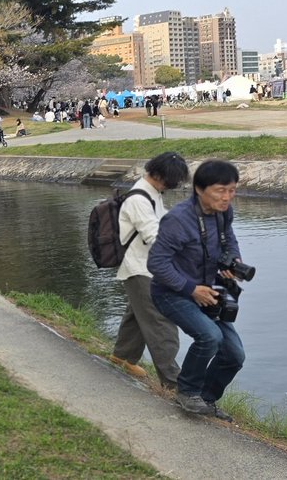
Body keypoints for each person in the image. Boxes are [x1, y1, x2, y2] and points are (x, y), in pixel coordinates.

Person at [149, 159, 247, 421]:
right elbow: (156, 264)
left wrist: (233, 262)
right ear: (199, 189)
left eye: (232, 190)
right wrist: (191, 289)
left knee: (235, 355)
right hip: (171, 292)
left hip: (207, 290)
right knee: (210, 337)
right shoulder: (178, 220)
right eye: (220, 190)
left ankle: (205, 399)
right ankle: (187, 392)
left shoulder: (224, 212)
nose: (227, 197)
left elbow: (230, 241)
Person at [108, 152, 191, 391]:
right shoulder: (139, 199)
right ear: (158, 175)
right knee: (161, 320)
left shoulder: (152, 193)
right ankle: (174, 381)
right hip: (141, 268)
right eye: (170, 182)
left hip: (146, 266)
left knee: (137, 314)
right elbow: (155, 237)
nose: (171, 187)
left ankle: (122, 357)